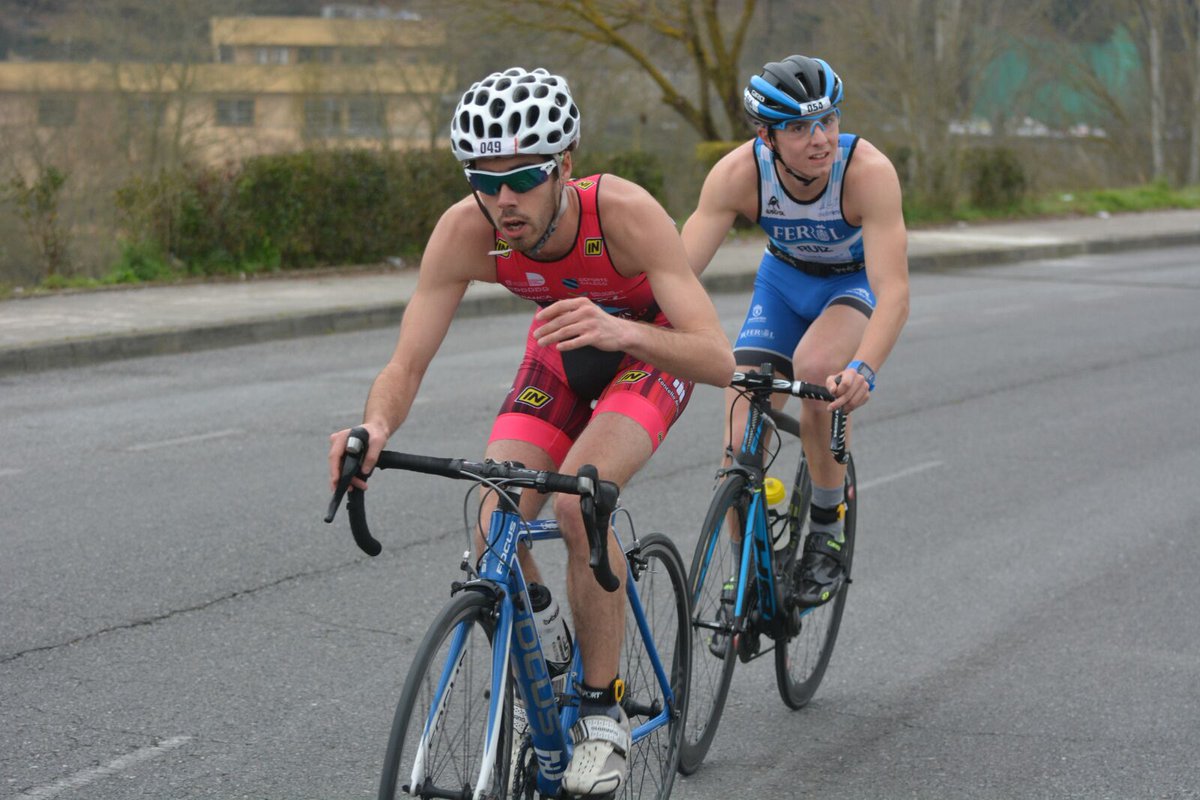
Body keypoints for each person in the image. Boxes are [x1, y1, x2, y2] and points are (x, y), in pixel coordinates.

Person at [328, 67, 733, 796]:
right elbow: (406, 360)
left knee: (580, 501)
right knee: (491, 511)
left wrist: (619, 330)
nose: (502, 199)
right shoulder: (465, 231)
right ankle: (543, 660)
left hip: (650, 347)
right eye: (485, 178)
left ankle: (604, 714)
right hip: (561, 353)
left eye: (522, 177)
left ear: (564, 167)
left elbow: (715, 355)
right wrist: (375, 424)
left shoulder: (624, 213)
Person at [681, 55, 910, 608]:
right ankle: (746, 568)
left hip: (849, 288)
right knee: (739, 434)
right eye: (801, 127)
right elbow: (677, 271)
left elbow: (895, 291)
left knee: (814, 371)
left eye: (828, 120)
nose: (820, 138)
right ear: (766, 136)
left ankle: (827, 522)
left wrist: (864, 368)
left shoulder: (867, 172)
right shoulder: (739, 175)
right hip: (782, 285)